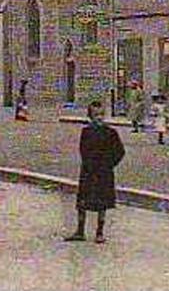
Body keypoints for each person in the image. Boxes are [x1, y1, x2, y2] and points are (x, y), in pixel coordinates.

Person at [65, 101, 124, 244]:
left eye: (101, 115)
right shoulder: (86, 131)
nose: (99, 118)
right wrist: (88, 163)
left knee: (102, 203)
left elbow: (119, 151)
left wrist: (109, 164)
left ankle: (99, 232)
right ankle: (80, 231)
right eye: (96, 115)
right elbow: (83, 149)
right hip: (89, 171)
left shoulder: (111, 132)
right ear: (90, 117)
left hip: (104, 172)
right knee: (82, 202)